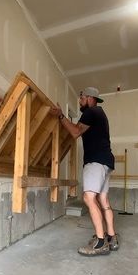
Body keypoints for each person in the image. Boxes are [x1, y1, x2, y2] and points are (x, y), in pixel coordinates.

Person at [50, 87, 119, 256]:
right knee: (103, 199)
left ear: (89, 98)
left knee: (88, 197)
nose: (79, 101)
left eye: (81, 98)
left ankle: (100, 243)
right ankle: (111, 238)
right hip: (106, 161)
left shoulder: (91, 111)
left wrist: (60, 115)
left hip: (95, 161)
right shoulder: (100, 113)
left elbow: (75, 132)